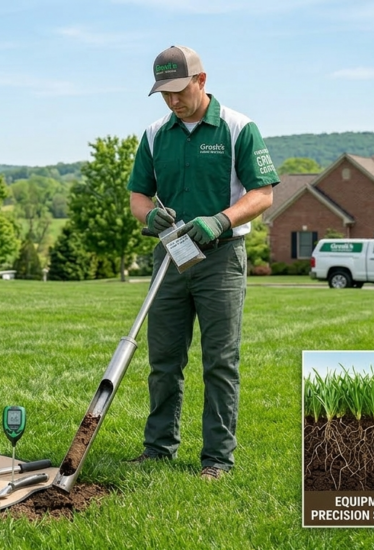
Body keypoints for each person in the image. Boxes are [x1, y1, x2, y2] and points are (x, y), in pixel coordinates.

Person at [126, 45, 279, 480]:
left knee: (220, 360)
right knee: (164, 360)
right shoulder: (156, 134)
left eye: (179, 90)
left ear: (202, 80)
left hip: (221, 258)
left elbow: (263, 194)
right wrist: (150, 216)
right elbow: (139, 196)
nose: (173, 101)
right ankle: (157, 449)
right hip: (170, 257)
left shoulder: (238, 128)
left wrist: (222, 220)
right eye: (164, 94)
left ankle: (216, 460)